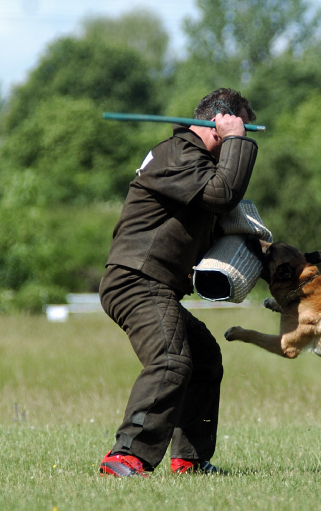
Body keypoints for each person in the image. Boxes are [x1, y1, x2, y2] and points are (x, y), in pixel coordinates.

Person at [98, 88, 258, 477]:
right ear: (218, 123)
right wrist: (237, 139)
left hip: (153, 282)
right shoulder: (178, 154)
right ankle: (125, 457)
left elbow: (218, 208)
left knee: (203, 358)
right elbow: (223, 193)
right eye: (241, 124)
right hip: (135, 279)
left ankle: (189, 460)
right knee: (170, 361)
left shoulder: (193, 162)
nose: (245, 135)